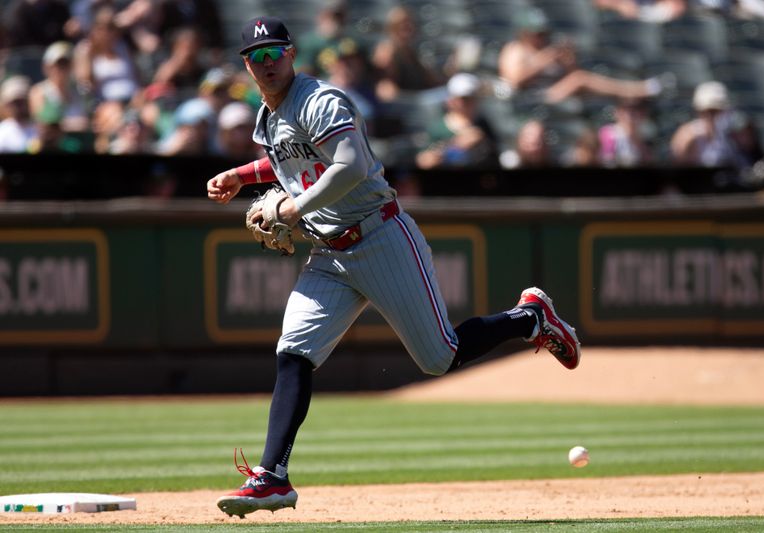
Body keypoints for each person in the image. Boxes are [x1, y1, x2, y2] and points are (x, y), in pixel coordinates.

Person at [206, 16, 581, 519]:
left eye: (274, 53)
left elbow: (351, 165)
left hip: (380, 236)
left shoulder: (321, 101)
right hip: (330, 253)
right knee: (293, 352)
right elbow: (287, 159)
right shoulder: (270, 117)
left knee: (440, 357)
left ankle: (530, 317)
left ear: (292, 54)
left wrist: (294, 209)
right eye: (256, 57)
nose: (266, 64)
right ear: (246, 66)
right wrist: (241, 174)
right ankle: (272, 477)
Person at [498, 9, 668, 104]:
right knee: (581, 79)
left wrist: (567, 60)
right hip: (529, 98)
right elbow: (514, 80)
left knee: (587, 87)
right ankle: (640, 90)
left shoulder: (548, 48)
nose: (542, 37)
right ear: (525, 33)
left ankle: (635, 95)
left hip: (555, 95)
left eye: (544, 33)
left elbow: (571, 73)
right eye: (537, 34)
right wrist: (545, 59)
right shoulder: (515, 49)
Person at [415, 72, 498, 169]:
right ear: (450, 101)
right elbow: (424, 161)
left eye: (473, 98)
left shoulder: (484, 125)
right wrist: (455, 146)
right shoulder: (437, 129)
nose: (470, 104)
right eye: (464, 99)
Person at [29, 41, 92, 133]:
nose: (61, 69)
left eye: (65, 64)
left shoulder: (80, 91)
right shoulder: (39, 92)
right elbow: (39, 124)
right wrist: (72, 125)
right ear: (47, 67)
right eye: (58, 64)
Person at [0, 76, 38, 153]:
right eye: (14, 103)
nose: (18, 107)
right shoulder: (2, 132)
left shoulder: (41, 130)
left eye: (21, 102)